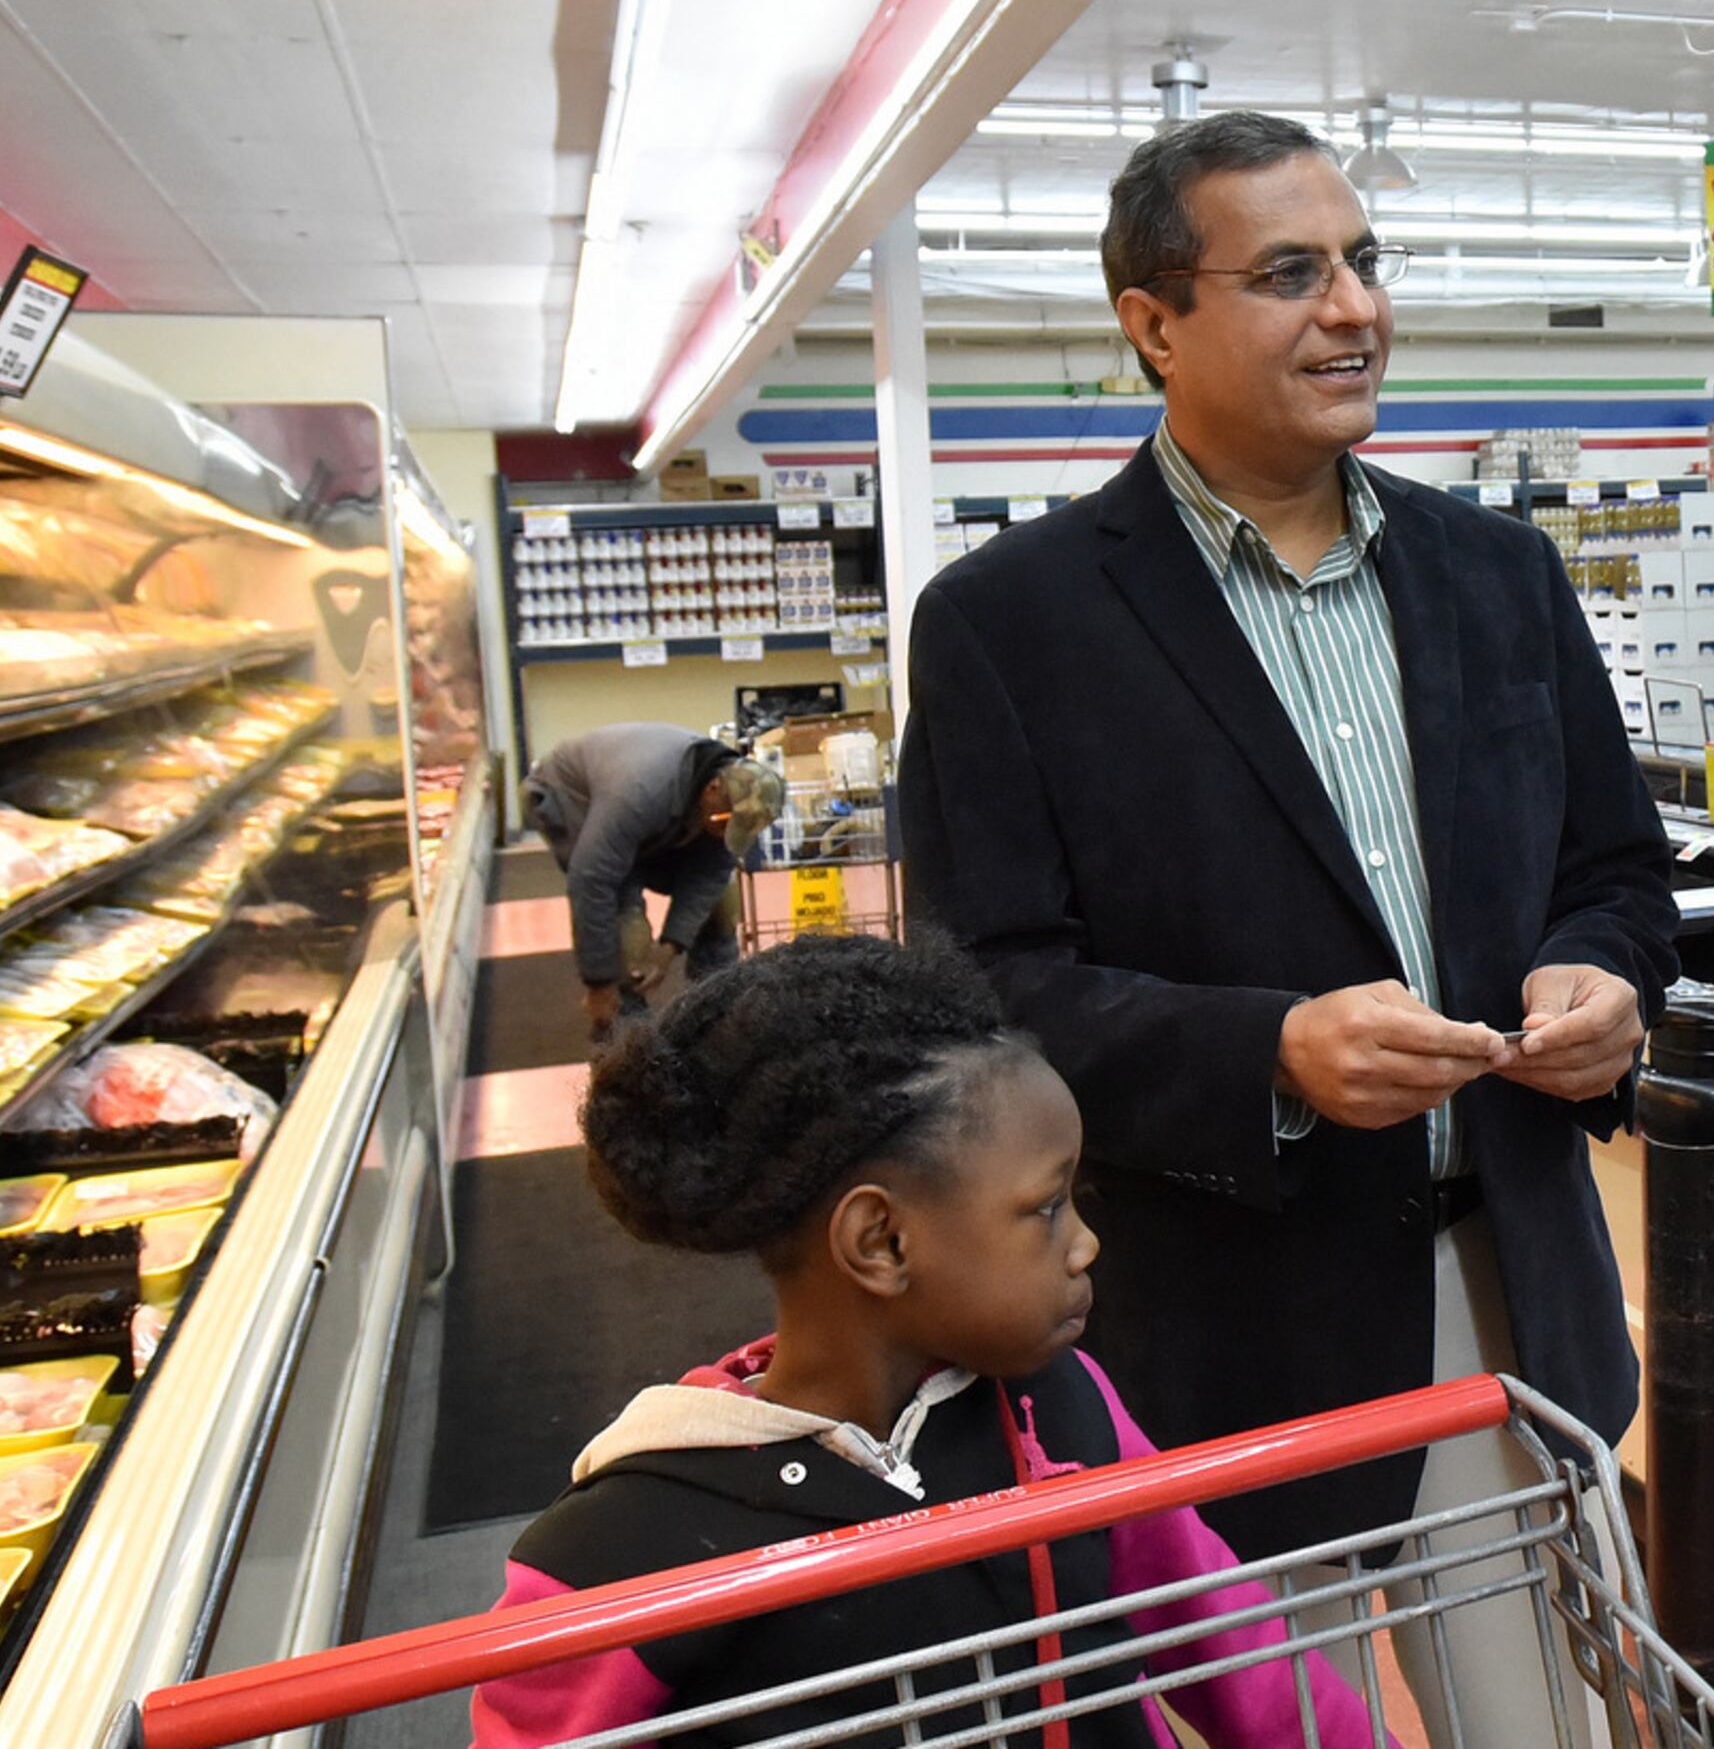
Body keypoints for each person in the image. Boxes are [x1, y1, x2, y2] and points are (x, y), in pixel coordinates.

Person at [896, 109, 1680, 1745]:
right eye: (1291, 273)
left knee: (1543, 1727)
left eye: (1365, 263)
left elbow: (1617, 869)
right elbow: (987, 997)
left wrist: (1605, 974)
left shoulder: (1501, 577)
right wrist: (1266, 1054)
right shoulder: (1010, 629)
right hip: (1231, 1334)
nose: (1355, 308)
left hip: (1511, 1289)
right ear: (1152, 320)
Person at [468, 936, 1368, 1748]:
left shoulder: (1067, 1406)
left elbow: (1236, 1640)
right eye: (1047, 1209)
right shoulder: (617, 1557)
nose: (1085, 1244)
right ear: (883, 1243)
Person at [522, 720, 784, 1037]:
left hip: (653, 824)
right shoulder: (641, 790)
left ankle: (716, 1011)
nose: (729, 833)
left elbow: (708, 877)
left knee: (721, 902)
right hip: (570, 801)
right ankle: (623, 1035)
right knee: (628, 930)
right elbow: (591, 880)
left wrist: (670, 947)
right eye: (727, 823)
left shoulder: (730, 805)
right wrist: (599, 982)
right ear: (713, 789)